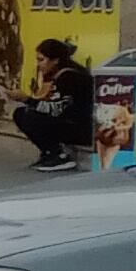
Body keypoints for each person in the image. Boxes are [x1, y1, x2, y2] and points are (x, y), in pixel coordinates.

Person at [14, 38, 94, 171]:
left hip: (81, 127)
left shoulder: (69, 77)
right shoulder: (58, 75)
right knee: (22, 113)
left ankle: (58, 155)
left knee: (27, 116)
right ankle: (49, 153)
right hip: (71, 123)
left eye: (41, 60)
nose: (39, 65)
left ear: (55, 60)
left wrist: (27, 100)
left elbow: (56, 110)